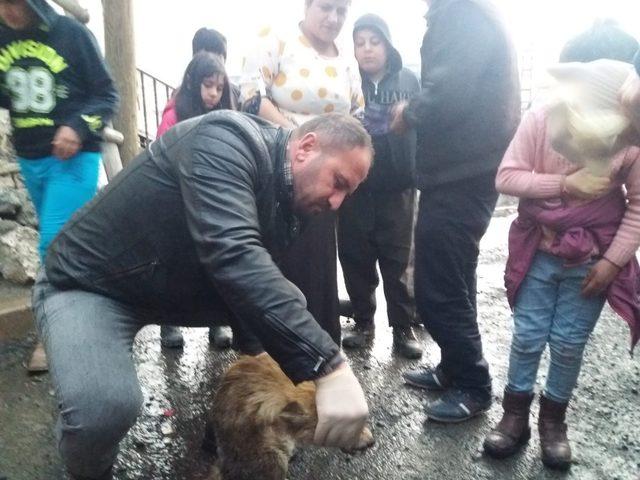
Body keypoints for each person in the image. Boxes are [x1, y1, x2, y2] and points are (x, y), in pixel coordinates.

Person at [33, 111, 372, 480]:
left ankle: (232, 442)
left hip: (174, 288)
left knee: (289, 299)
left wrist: (262, 365)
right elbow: (234, 254)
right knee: (103, 409)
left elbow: (257, 283)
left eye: (347, 194)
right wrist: (329, 367)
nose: (337, 202)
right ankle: (88, 471)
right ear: (306, 148)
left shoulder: (295, 199)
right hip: (93, 283)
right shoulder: (224, 141)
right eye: (337, 182)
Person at [483, 23, 640, 470]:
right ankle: (514, 416)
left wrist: (612, 262)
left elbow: (637, 206)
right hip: (540, 254)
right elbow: (507, 176)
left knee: (569, 344)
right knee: (528, 336)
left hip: (590, 262)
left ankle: (554, 422)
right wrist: (565, 184)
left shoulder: (629, 140)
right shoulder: (540, 121)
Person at [394, 0, 521, 422]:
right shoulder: (473, 14)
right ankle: (453, 367)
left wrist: (407, 112)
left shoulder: (463, 14)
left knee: (439, 283)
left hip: (461, 173)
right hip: (464, 171)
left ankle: (473, 384)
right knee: (454, 275)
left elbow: (448, 92)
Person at [0, 0, 118, 372]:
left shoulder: (72, 35)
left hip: (74, 157)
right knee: (69, 243)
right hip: (32, 157)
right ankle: (96, 307)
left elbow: (105, 95)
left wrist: (77, 127)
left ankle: (53, 336)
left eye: (15, 2)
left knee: (53, 239)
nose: (8, 11)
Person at [239, 0, 364, 344]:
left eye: (341, 11)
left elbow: (358, 114)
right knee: (273, 258)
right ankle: (264, 353)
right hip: (276, 166)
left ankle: (316, 351)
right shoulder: (276, 40)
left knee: (316, 264)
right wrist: (297, 141)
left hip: (324, 177)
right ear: (307, 5)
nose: (333, 18)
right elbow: (251, 96)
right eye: (326, 7)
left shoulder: (346, 60)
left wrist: (332, 159)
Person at [337, 14, 422, 359]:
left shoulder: (409, 80)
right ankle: (362, 323)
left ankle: (404, 327)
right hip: (355, 189)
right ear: (353, 50)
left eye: (375, 41)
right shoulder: (347, 81)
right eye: (361, 43)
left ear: (388, 45)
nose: (368, 49)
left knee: (398, 261)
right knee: (355, 258)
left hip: (399, 189)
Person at [158, 30, 240, 348]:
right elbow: (163, 156)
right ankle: (169, 324)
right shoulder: (174, 116)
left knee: (215, 264)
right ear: (194, 83)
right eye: (208, 86)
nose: (214, 94)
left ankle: (217, 323)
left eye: (219, 88)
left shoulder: (225, 116)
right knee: (174, 265)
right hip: (177, 201)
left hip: (212, 203)